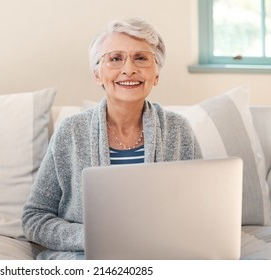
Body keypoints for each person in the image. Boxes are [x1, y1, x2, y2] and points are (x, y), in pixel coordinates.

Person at [22, 17, 202, 260]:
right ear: (97, 74)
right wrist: (92, 237)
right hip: (86, 256)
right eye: (115, 58)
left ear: (156, 74)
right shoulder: (71, 132)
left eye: (141, 58)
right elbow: (34, 217)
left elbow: (198, 211)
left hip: (160, 254)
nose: (128, 69)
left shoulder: (178, 130)